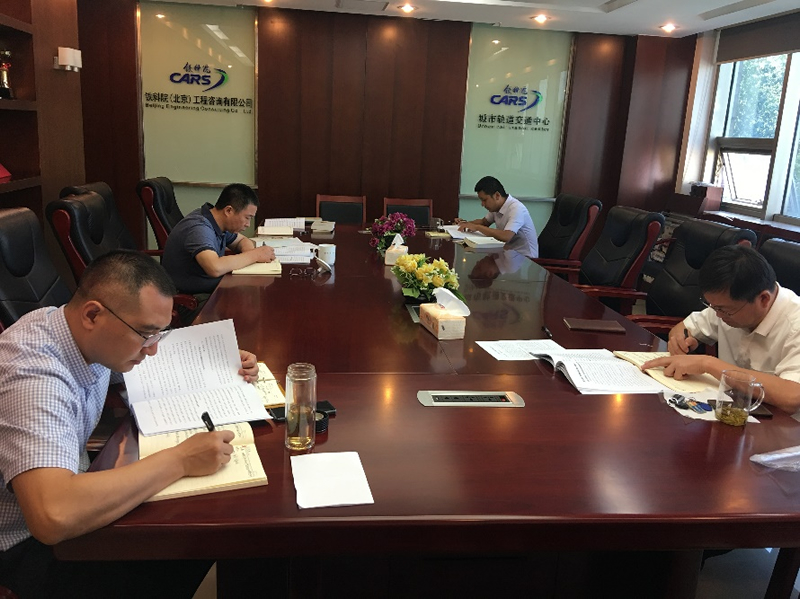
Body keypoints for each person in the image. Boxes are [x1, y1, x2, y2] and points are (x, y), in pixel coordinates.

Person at [0, 250, 261, 598]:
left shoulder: (73, 328)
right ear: (93, 314)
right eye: (146, 334)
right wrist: (180, 459)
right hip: (26, 548)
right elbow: (53, 515)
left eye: (158, 334)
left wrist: (221, 361)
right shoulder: (34, 378)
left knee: (208, 525)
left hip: (77, 484)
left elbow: (153, 357)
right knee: (202, 540)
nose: (152, 350)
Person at [642, 245, 800, 418]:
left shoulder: (795, 323)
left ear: (763, 299)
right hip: (728, 412)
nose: (717, 315)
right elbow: (682, 328)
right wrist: (680, 342)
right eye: (713, 306)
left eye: (724, 310)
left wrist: (707, 364)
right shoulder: (727, 306)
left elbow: (792, 396)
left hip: (780, 427)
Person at [162, 183, 276, 296]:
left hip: (213, 286)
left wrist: (250, 255)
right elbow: (215, 268)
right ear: (228, 211)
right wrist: (255, 255)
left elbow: (242, 241)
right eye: (247, 218)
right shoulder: (199, 228)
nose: (248, 224)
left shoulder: (218, 221)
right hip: (194, 296)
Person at [454, 176, 539, 259]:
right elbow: (484, 222)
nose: (482, 204)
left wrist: (477, 227)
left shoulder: (516, 209)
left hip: (525, 259)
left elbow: (506, 236)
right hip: (507, 253)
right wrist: (464, 224)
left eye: (484, 200)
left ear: (497, 195)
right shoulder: (496, 208)